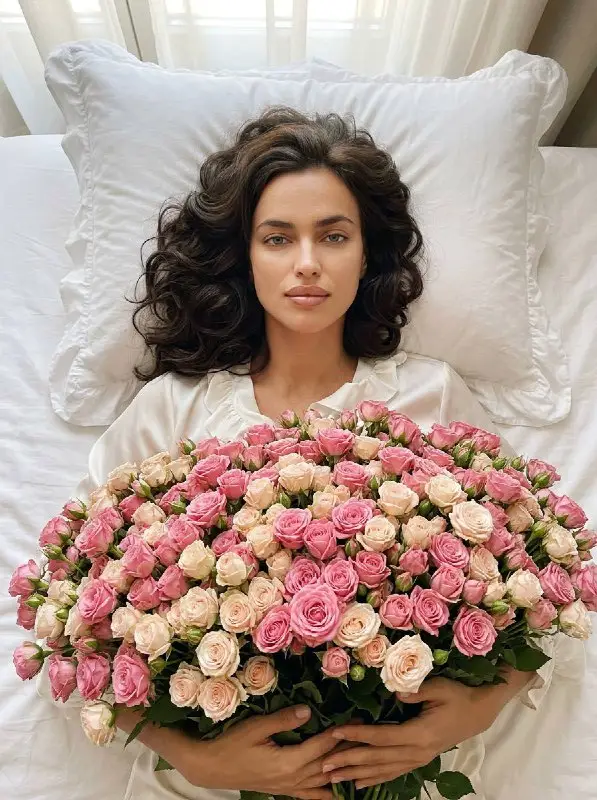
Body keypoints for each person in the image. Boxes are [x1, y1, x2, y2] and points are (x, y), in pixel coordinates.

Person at [47, 108, 583, 800]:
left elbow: (543, 584)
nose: (307, 263)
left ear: (366, 255)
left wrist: (478, 706)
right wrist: (192, 757)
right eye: (278, 238)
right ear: (244, 256)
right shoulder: (173, 411)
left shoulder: (430, 395)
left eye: (333, 236)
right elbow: (77, 610)